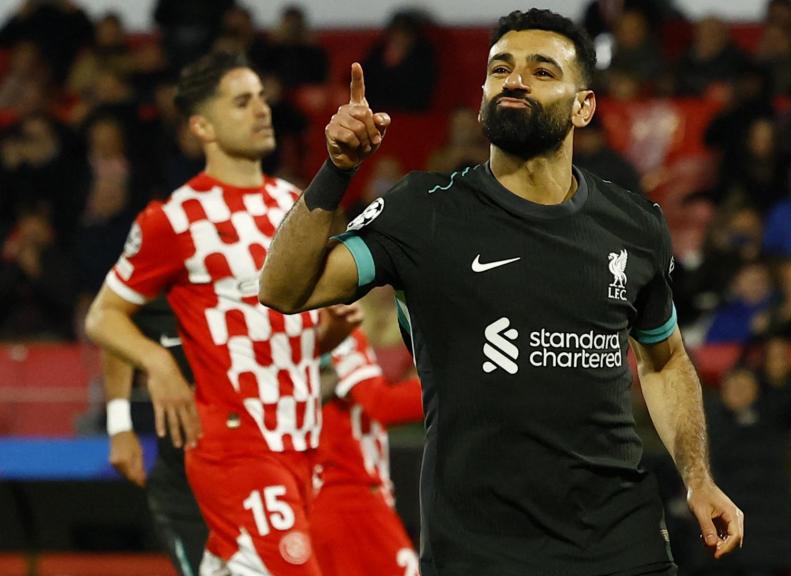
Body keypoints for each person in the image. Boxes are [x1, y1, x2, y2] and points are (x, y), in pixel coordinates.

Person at [259, 9, 743, 576]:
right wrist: (338, 169)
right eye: (501, 68)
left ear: (584, 106)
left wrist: (697, 477)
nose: (515, 79)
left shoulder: (634, 223)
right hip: (479, 550)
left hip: (620, 541)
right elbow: (286, 289)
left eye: (542, 70)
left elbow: (663, 361)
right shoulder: (425, 211)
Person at [85, 51, 351, 575]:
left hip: (300, 441)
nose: (260, 110)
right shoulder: (176, 219)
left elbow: (275, 337)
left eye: (261, 98)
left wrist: (328, 336)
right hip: (237, 445)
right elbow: (104, 315)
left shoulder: (294, 206)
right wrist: (157, 367)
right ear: (202, 125)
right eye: (242, 102)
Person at [102, 297, 207, 576]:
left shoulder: (268, 272)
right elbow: (110, 317)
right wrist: (119, 425)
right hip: (185, 479)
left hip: (269, 466)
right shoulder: (163, 273)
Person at [312, 317, 424, 576]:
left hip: (329, 499)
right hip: (350, 498)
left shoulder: (308, 333)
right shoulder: (339, 334)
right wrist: (447, 389)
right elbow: (382, 404)